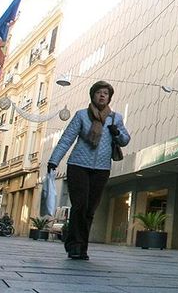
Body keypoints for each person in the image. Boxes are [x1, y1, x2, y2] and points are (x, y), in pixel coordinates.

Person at [47, 80, 130, 260]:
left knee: (90, 209)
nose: (102, 95)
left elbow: (125, 140)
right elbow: (66, 139)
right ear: (93, 95)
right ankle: (76, 246)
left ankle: (79, 246)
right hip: (78, 166)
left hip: (101, 168)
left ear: (109, 98)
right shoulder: (81, 116)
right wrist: (54, 161)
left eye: (105, 93)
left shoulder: (115, 118)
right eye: (99, 92)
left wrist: (117, 133)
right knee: (80, 205)